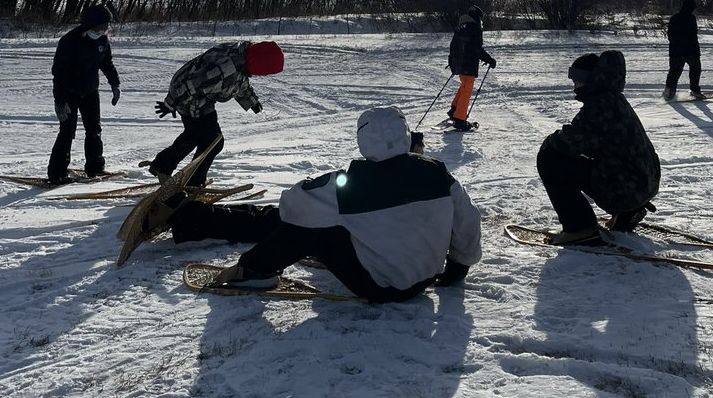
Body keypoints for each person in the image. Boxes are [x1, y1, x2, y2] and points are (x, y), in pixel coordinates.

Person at [163, 105, 483, 300]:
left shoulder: (351, 183)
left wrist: (320, 192)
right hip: (422, 278)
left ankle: (251, 267)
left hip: (381, 286)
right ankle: (195, 219)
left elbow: (291, 210)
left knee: (303, 226)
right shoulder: (438, 172)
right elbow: (467, 220)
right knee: (322, 218)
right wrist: (458, 267)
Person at [536, 50, 661, 244]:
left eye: (578, 79)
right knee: (579, 160)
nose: (574, 85)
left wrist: (551, 140)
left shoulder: (600, 105)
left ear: (592, 79)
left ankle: (580, 227)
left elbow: (570, 143)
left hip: (628, 187)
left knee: (549, 158)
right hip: (641, 183)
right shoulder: (614, 99)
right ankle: (627, 212)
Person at [146, 40, 284, 186]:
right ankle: (193, 181)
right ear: (259, 63)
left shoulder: (242, 58)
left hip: (198, 98)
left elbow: (240, 83)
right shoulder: (225, 68)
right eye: (264, 72)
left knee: (193, 135)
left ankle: (162, 165)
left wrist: (251, 101)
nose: (262, 75)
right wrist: (170, 103)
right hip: (189, 98)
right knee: (214, 142)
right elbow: (193, 84)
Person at [47, 3, 121, 183]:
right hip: (69, 93)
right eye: (99, 27)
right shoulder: (69, 41)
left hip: (90, 91)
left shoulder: (103, 40)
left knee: (94, 130)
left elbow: (106, 63)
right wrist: (60, 101)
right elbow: (59, 73)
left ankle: (95, 167)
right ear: (89, 25)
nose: (103, 31)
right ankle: (57, 174)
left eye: (105, 27)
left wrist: (114, 83)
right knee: (67, 132)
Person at [447, 5, 496, 130]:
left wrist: (452, 61)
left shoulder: (461, 27)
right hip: (468, 64)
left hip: (458, 63)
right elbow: (477, 49)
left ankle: (454, 109)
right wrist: (489, 60)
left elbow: (454, 45)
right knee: (467, 89)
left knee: (464, 85)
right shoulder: (475, 29)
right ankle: (460, 118)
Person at [663, 0, 706, 100]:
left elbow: (670, 36)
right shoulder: (691, 18)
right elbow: (693, 35)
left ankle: (669, 91)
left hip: (675, 50)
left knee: (674, 72)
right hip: (690, 50)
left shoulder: (674, 18)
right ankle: (694, 90)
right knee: (695, 69)